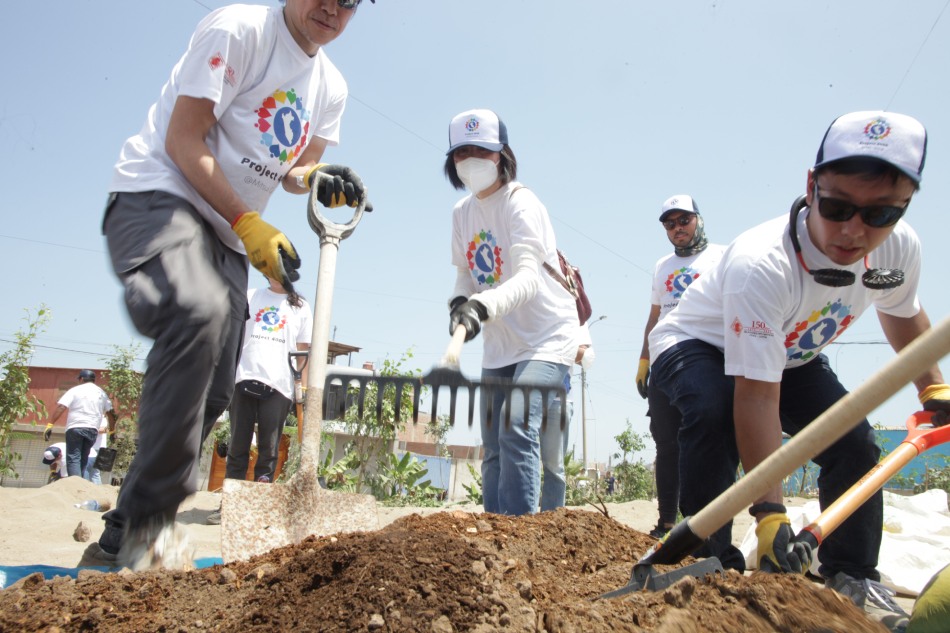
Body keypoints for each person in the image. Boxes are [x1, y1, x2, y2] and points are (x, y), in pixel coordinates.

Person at [95, 0, 372, 571]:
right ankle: (148, 527)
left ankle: (124, 524)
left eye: (350, 1)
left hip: (227, 238)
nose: (333, 9)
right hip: (158, 199)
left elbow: (294, 172)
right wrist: (248, 222)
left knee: (216, 389)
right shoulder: (241, 30)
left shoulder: (332, 87)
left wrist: (314, 176)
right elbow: (183, 137)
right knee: (197, 313)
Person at [648, 111, 950, 630]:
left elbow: (903, 313)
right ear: (811, 187)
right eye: (837, 208)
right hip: (698, 342)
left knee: (854, 442)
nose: (855, 231)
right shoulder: (763, 264)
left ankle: (850, 573)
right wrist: (770, 516)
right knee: (715, 413)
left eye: (880, 214)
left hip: (791, 354)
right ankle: (709, 562)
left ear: (904, 207)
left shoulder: (898, 249)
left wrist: (934, 388)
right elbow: (757, 398)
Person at [444, 108, 578, 516]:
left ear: (501, 154)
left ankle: (521, 536)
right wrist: (458, 305)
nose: (471, 160)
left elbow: (528, 278)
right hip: (500, 345)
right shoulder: (461, 214)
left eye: (481, 151)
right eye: (462, 152)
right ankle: (495, 534)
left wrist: (480, 306)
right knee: (493, 445)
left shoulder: (522, 203)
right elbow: (466, 275)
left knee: (515, 424)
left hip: (547, 337)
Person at [636, 195, 725, 538]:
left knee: (703, 437)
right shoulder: (662, 266)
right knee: (666, 443)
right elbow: (655, 316)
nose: (677, 229)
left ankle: (702, 522)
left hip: (705, 356)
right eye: (669, 224)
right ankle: (667, 522)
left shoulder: (720, 256)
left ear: (698, 219)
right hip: (663, 358)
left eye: (683, 220)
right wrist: (644, 360)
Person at [206, 276, 312, 524]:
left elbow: (303, 351)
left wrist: (303, 387)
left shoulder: (300, 307)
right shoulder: (251, 296)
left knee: (269, 449)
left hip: (279, 384)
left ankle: (259, 508)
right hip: (244, 376)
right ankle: (231, 506)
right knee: (237, 447)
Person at [539, 334, 592, 512]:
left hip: (557, 400)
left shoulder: (576, 311)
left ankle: (550, 521)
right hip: (524, 395)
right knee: (522, 460)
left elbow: (585, 355)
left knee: (554, 467)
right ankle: (522, 520)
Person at [46, 370, 116, 479]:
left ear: (81, 379)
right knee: (83, 457)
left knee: (73, 457)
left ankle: (74, 484)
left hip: (75, 428)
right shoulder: (101, 393)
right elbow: (111, 414)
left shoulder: (75, 390)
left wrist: (50, 425)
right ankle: (80, 482)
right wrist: (112, 432)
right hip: (92, 430)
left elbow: (61, 407)